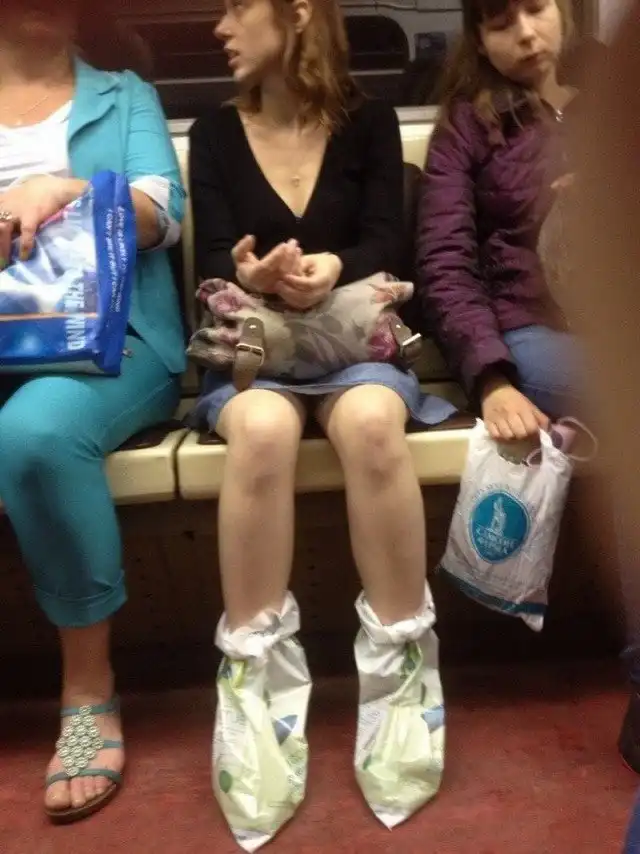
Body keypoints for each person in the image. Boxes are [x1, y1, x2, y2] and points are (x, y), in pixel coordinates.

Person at [188, 0, 451, 842]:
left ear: (298, 12)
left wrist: (336, 264)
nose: (221, 27)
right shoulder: (214, 134)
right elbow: (211, 260)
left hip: (351, 347)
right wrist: (253, 273)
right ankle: (253, 686)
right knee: (262, 432)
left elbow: (387, 243)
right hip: (256, 354)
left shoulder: (369, 122)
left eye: (237, 6)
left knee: (373, 420)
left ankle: (403, 680)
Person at [415, 0, 640, 777]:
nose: (525, 33)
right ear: (478, 38)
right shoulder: (469, 126)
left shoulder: (615, 99)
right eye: (499, 21)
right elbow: (445, 263)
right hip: (531, 333)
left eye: (536, 8)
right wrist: (491, 374)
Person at [0, 0, 185, 823]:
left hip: (111, 345)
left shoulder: (124, 96)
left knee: (35, 432)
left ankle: (87, 691)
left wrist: (67, 191)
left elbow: (162, 217)